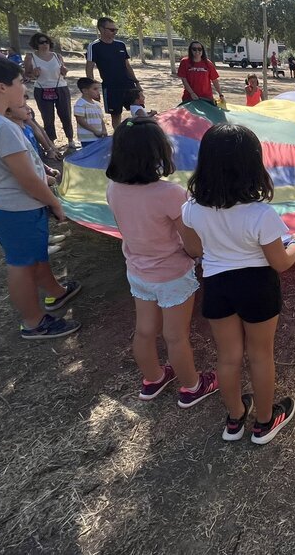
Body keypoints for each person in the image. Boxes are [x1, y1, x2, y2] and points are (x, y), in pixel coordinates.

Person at [179, 124, 295, 444]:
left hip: (218, 286)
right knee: (261, 355)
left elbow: (195, 251)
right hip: (257, 287)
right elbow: (281, 262)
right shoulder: (261, 214)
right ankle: (264, 421)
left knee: (228, 356)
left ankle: (235, 418)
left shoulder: (191, 208)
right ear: (253, 164)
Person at [0, 54, 81, 339]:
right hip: (15, 207)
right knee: (22, 265)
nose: (23, 89)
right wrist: (54, 203)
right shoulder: (1, 127)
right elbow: (26, 179)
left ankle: (55, 291)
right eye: (19, 82)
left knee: (33, 255)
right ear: (1, 87)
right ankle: (34, 321)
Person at [105, 116, 219, 408]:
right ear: (158, 153)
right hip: (172, 275)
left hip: (138, 272)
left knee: (144, 329)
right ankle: (192, 386)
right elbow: (192, 244)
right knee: (175, 336)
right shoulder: (170, 193)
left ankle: (153, 378)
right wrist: (198, 255)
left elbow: (125, 228)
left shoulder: (113, 189)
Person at [85, 17, 138, 125]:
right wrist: (92, 89)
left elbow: (127, 66)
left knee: (138, 111)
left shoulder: (120, 45)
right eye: (112, 30)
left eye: (116, 30)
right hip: (111, 87)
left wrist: (136, 83)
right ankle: (119, 137)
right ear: (101, 29)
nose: (115, 32)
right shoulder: (94, 46)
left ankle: (138, 134)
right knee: (116, 115)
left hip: (128, 84)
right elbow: (89, 68)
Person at [24, 33, 73, 147]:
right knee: (47, 117)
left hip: (60, 87)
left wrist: (64, 71)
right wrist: (33, 74)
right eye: (41, 42)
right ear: (36, 44)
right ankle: (51, 141)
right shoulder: (30, 57)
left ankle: (70, 140)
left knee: (65, 114)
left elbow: (63, 73)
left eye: (46, 42)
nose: (44, 44)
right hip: (42, 88)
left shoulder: (57, 56)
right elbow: (27, 75)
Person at [73, 77, 107, 147]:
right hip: (87, 138)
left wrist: (104, 130)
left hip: (99, 137)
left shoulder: (97, 105)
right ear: (85, 91)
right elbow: (80, 120)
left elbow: (101, 120)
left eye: (98, 89)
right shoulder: (80, 104)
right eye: (95, 89)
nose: (98, 92)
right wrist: (94, 131)